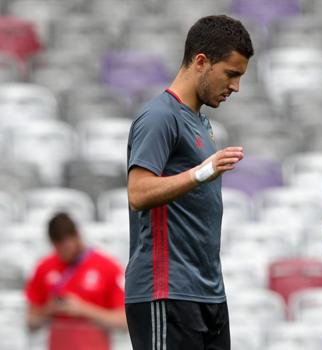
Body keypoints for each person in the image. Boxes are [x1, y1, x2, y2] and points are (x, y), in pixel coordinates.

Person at [123, 15, 253, 350]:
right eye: (231, 74)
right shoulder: (159, 116)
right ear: (201, 61)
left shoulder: (200, 123)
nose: (235, 87)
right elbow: (138, 193)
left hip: (207, 294)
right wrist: (201, 172)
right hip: (166, 292)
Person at [25, 213, 127, 350]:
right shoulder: (44, 267)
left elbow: (123, 322)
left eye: (66, 247)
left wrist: (83, 309)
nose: (62, 254)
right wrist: (50, 309)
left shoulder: (108, 266)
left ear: (77, 236)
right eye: (57, 248)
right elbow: (31, 322)